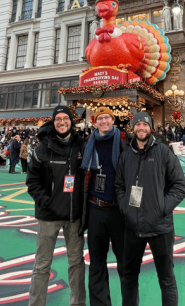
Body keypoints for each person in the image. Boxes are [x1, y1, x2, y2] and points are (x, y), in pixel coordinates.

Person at [115, 112, 185, 306]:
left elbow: (179, 187)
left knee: (166, 278)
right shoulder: (126, 155)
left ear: (150, 128)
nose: (141, 128)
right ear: (133, 128)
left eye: (144, 124)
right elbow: (119, 186)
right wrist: (125, 209)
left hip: (160, 227)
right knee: (129, 277)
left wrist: (162, 208)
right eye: (137, 124)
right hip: (133, 226)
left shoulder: (163, 152)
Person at [26, 106, 86, 306]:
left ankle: (77, 303)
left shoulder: (81, 145)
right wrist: (46, 202)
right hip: (48, 216)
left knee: (77, 263)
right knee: (42, 264)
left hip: (74, 215)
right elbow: (32, 181)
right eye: (58, 119)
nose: (62, 122)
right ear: (54, 122)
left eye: (65, 118)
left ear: (71, 121)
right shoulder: (42, 148)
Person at [80, 106, 127, 306]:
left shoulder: (125, 144)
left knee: (126, 263)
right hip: (95, 209)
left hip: (118, 210)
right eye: (100, 118)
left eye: (107, 117)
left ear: (113, 120)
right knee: (97, 263)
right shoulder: (87, 145)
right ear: (95, 121)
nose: (104, 121)